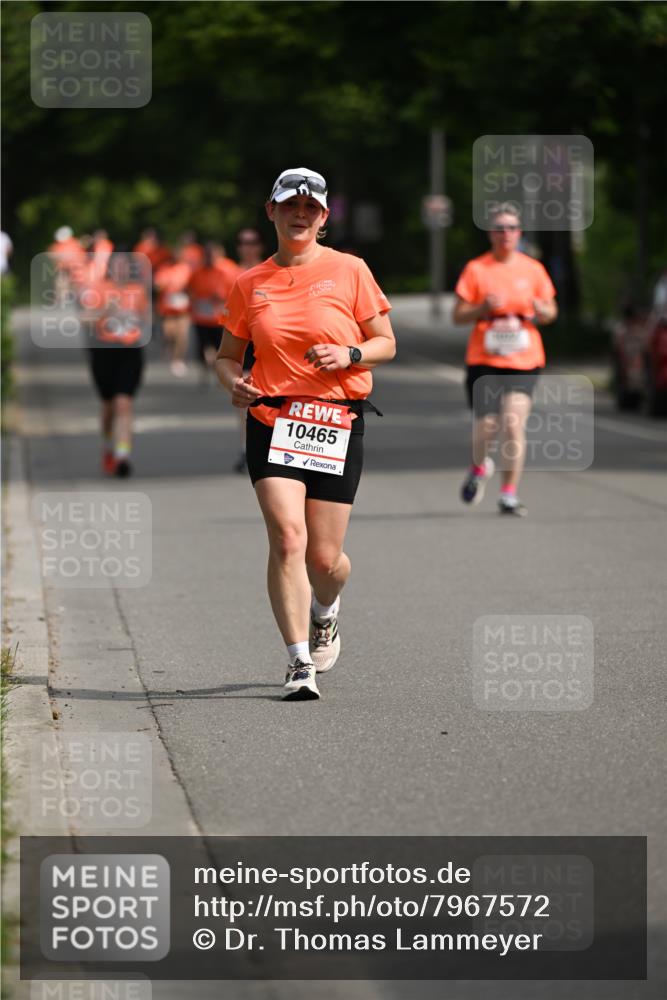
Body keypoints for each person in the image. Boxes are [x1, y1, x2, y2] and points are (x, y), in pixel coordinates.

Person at [216, 168, 395, 700]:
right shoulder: (250, 283)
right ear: (270, 211)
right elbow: (226, 357)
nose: (300, 214)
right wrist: (235, 383)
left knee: (324, 560)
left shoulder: (350, 270)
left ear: (323, 217)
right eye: (289, 205)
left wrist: (351, 353)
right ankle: (298, 663)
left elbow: (386, 341)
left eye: (311, 207)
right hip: (272, 421)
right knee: (287, 538)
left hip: (335, 421)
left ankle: (325, 611)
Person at [452, 204, 558, 516]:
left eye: (511, 227)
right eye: (499, 228)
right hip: (484, 358)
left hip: (525, 358)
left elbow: (552, 311)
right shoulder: (477, 269)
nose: (506, 233)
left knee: (513, 423)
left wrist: (542, 310)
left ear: (519, 232)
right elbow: (458, 316)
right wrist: (482, 307)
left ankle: (509, 493)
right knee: (487, 426)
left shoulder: (533, 269)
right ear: (490, 233)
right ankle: (479, 467)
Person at [81, 252, 150, 477]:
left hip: (130, 351)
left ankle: (122, 456)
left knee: (124, 403)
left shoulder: (137, 291)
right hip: (103, 351)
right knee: (108, 406)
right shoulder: (99, 288)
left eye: (124, 266)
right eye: (116, 266)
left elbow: (146, 318)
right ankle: (108, 445)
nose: (120, 270)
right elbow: (85, 319)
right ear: (109, 268)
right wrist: (107, 310)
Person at [232, 228, 264, 472]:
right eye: (243, 242)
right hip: (240, 337)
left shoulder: (271, 271)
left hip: (266, 337)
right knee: (246, 395)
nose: (248, 246)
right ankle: (246, 449)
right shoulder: (230, 273)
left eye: (252, 242)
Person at [187, 242, 237, 382]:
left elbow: (235, 292)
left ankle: (219, 372)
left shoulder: (226, 271)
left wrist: (222, 298)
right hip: (201, 317)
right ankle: (206, 370)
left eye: (212, 254)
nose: (209, 257)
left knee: (219, 347)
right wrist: (195, 299)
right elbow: (188, 289)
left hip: (219, 317)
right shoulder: (197, 272)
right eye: (206, 255)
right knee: (202, 346)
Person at [154, 249, 193, 376]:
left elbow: (193, 284)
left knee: (182, 335)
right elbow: (157, 285)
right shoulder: (164, 268)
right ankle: (171, 352)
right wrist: (165, 285)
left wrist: (185, 288)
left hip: (183, 308)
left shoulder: (186, 269)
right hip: (167, 308)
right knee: (169, 334)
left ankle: (178, 359)